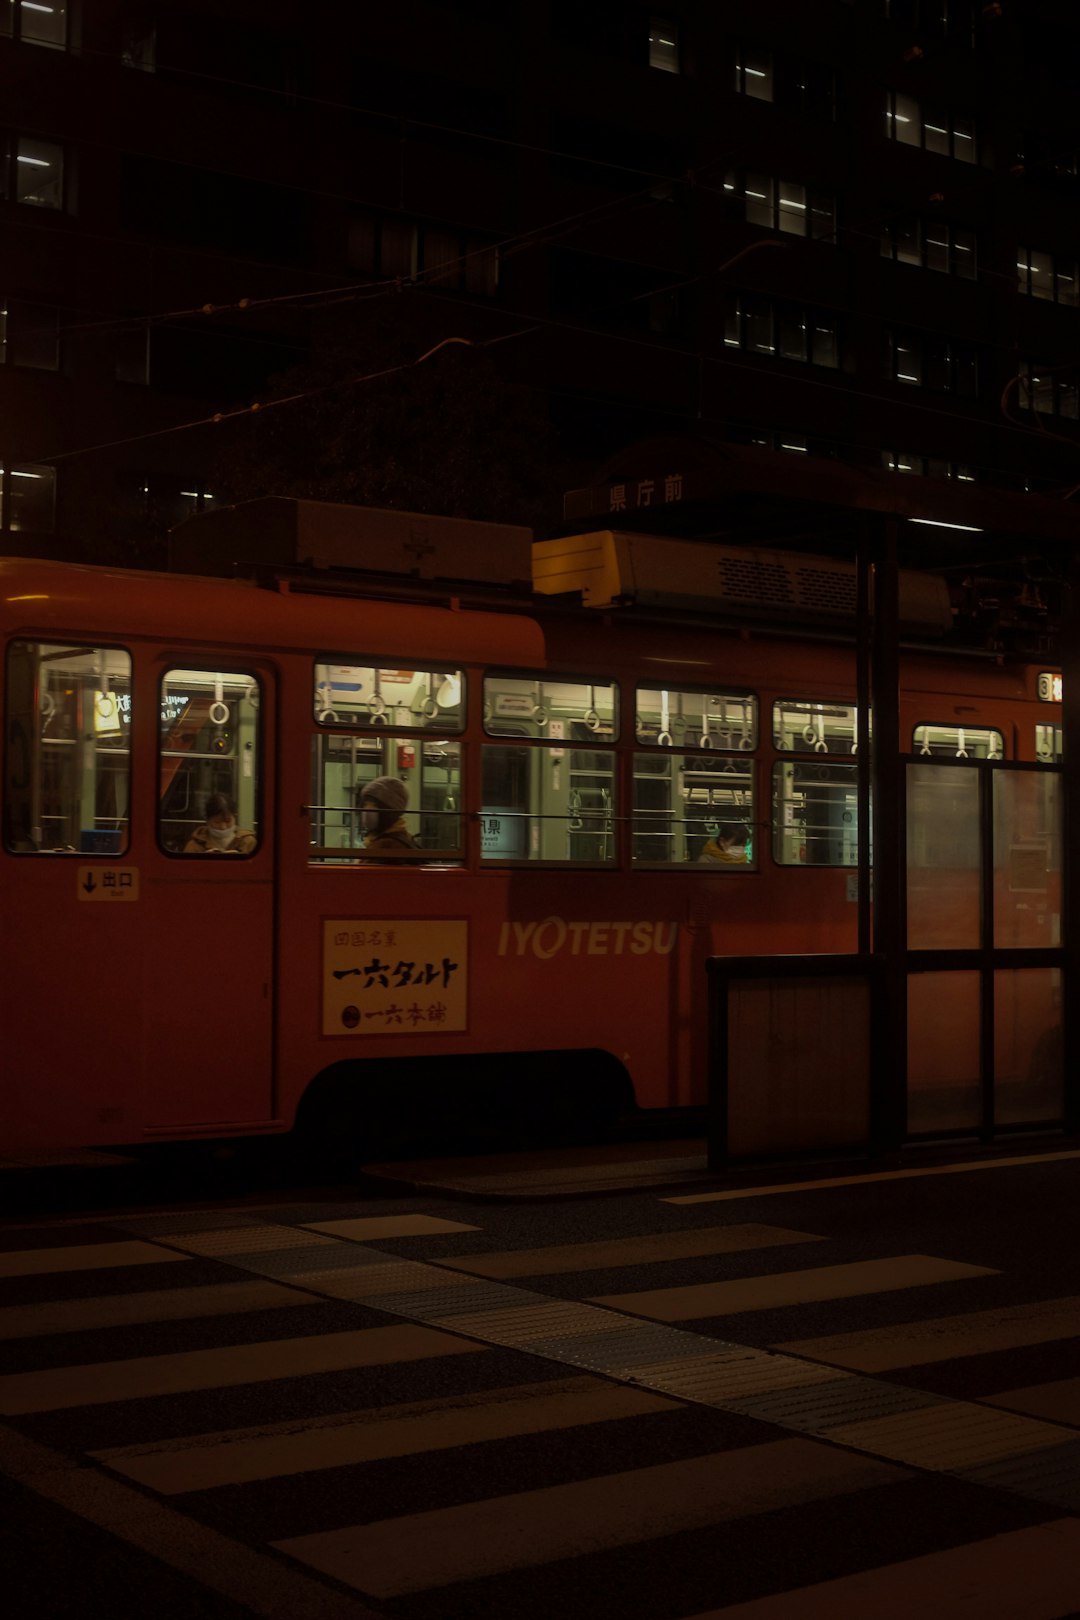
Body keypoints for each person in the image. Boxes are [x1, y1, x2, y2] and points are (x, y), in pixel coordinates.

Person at [357, 774, 417, 855]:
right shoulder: (404, 838)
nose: (367, 810)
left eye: (375, 805)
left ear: (389, 812)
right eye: (365, 804)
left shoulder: (386, 846)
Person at [184, 792, 257, 854]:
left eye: (228, 821)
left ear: (235, 817)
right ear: (207, 820)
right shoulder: (194, 845)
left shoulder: (248, 842)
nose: (223, 827)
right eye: (217, 822)